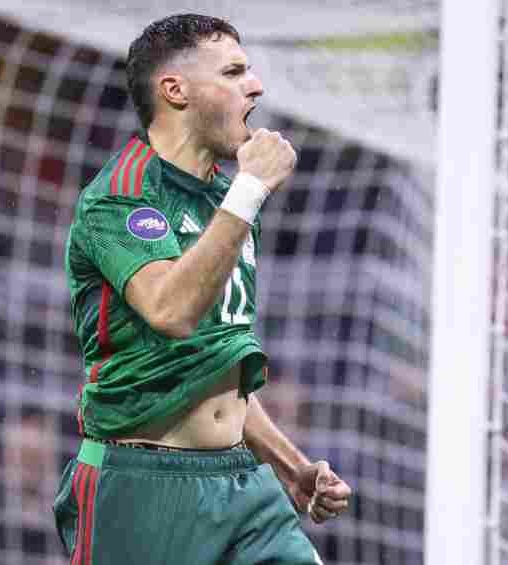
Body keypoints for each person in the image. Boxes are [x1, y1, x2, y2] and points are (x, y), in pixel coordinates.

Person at [53, 13, 352, 565]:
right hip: (141, 485)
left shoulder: (228, 197)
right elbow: (171, 311)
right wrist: (250, 189)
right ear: (175, 90)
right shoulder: (120, 197)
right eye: (235, 71)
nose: (256, 85)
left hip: (241, 484)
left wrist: (292, 468)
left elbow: (216, 356)